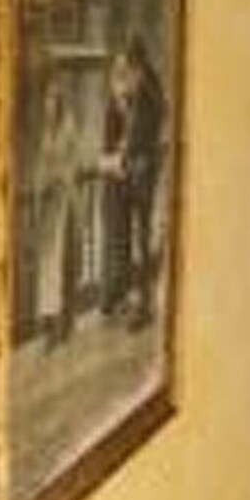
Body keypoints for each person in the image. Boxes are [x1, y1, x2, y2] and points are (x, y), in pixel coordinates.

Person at [98, 38, 166, 328]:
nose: (124, 74)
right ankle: (119, 296)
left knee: (143, 240)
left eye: (128, 68)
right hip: (124, 176)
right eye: (120, 69)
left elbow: (143, 138)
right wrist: (112, 158)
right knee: (121, 235)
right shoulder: (121, 92)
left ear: (140, 67)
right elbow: (109, 136)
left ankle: (144, 305)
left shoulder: (150, 95)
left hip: (143, 176)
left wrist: (124, 159)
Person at [33, 84, 83, 347]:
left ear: (59, 102)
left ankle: (64, 324)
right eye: (47, 101)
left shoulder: (67, 129)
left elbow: (70, 166)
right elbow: (42, 166)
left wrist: (56, 178)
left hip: (64, 202)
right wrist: (40, 189)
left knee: (63, 264)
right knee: (48, 266)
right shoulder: (47, 131)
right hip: (49, 206)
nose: (48, 106)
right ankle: (49, 325)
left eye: (52, 100)